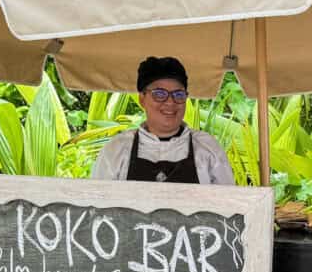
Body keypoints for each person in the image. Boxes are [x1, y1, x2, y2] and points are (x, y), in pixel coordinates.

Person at [90, 56, 234, 185]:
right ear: (142, 99)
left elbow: (228, 206)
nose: (170, 102)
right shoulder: (116, 150)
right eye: (159, 94)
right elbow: (98, 206)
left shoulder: (207, 149)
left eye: (178, 94)